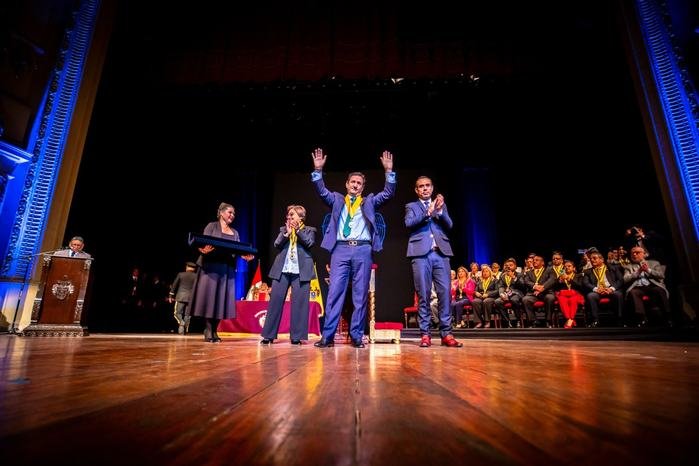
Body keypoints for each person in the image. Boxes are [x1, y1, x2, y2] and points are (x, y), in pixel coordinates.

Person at [311, 147, 396, 348]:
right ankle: (327, 336)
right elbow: (321, 191)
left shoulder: (369, 201)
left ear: (362, 187)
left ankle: (357, 335)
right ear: (347, 184)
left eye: (359, 183)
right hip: (340, 249)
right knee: (334, 293)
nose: (355, 185)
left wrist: (388, 172)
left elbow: (388, 193)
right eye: (353, 182)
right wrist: (318, 171)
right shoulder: (336, 199)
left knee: (360, 294)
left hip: (363, 250)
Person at [405, 176, 462, 347]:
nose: (425, 188)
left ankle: (447, 334)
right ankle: (425, 334)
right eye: (421, 186)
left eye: (427, 185)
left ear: (432, 187)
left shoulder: (440, 205)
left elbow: (449, 225)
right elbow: (409, 223)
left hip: (441, 254)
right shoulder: (411, 206)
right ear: (416, 190)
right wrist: (428, 212)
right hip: (420, 255)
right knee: (424, 294)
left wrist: (440, 211)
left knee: (445, 294)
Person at [190, 202, 254, 343]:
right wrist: (203, 249)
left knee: (221, 300)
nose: (232, 215)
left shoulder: (235, 232)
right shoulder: (212, 226)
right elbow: (203, 243)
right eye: (230, 212)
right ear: (221, 213)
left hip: (226, 269)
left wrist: (245, 256)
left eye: (234, 213)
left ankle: (215, 330)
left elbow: (238, 249)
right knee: (210, 298)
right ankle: (208, 329)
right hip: (210, 268)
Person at [260, 205, 316, 345]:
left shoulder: (309, 230)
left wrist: (298, 231)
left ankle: (296, 336)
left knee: (299, 304)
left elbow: (309, 243)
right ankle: (268, 335)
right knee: (275, 302)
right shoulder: (283, 230)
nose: (289, 217)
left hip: (301, 271)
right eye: (288, 215)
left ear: (301, 217)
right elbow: (277, 244)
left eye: (292, 215)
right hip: (283, 270)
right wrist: (287, 233)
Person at [168, 262, 198, 334]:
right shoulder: (196, 276)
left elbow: (174, 285)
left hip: (180, 297)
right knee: (188, 314)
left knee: (177, 313)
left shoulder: (181, 274)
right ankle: (184, 329)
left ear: (187, 267)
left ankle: (182, 323)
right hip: (191, 298)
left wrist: (170, 296)